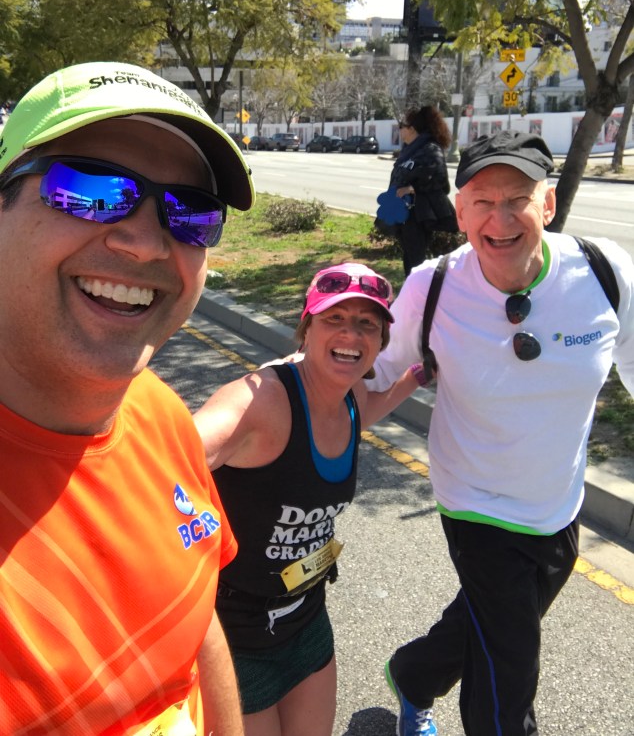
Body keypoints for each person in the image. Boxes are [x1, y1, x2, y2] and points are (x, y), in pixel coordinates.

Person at [0, 60, 257, 735]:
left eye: (189, 213)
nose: (145, 244)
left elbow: (194, 622)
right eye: (89, 189)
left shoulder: (159, 411)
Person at [368, 131, 634, 736]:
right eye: (483, 202)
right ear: (460, 212)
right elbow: (369, 373)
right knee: (507, 671)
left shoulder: (603, 272)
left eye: (518, 199)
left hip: (558, 503)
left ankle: (413, 674)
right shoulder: (431, 288)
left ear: (549, 204)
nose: (501, 219)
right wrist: (281, 393)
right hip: (475, 503)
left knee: (492, 624)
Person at [194, 263, 425, 736]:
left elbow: (365, 414)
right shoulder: (260, 402)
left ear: (381, 340)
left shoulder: (350, 395)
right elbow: (159, 464)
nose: (351, 334)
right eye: (333, 319)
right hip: (236, 630)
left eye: (366, 324)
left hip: (306, 614)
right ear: (307, 328)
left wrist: (415, 378)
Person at [389, 105, 456, 276]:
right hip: (403, 212)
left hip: (419, 214)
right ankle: (412, 286)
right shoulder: (409, 150)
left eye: (401, 126)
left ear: (412, 129)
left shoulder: (430, 148)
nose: (400, 130)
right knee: (409, 256)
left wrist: (412, 189)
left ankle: (419, 288)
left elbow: (441, 181)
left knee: (416, 259)